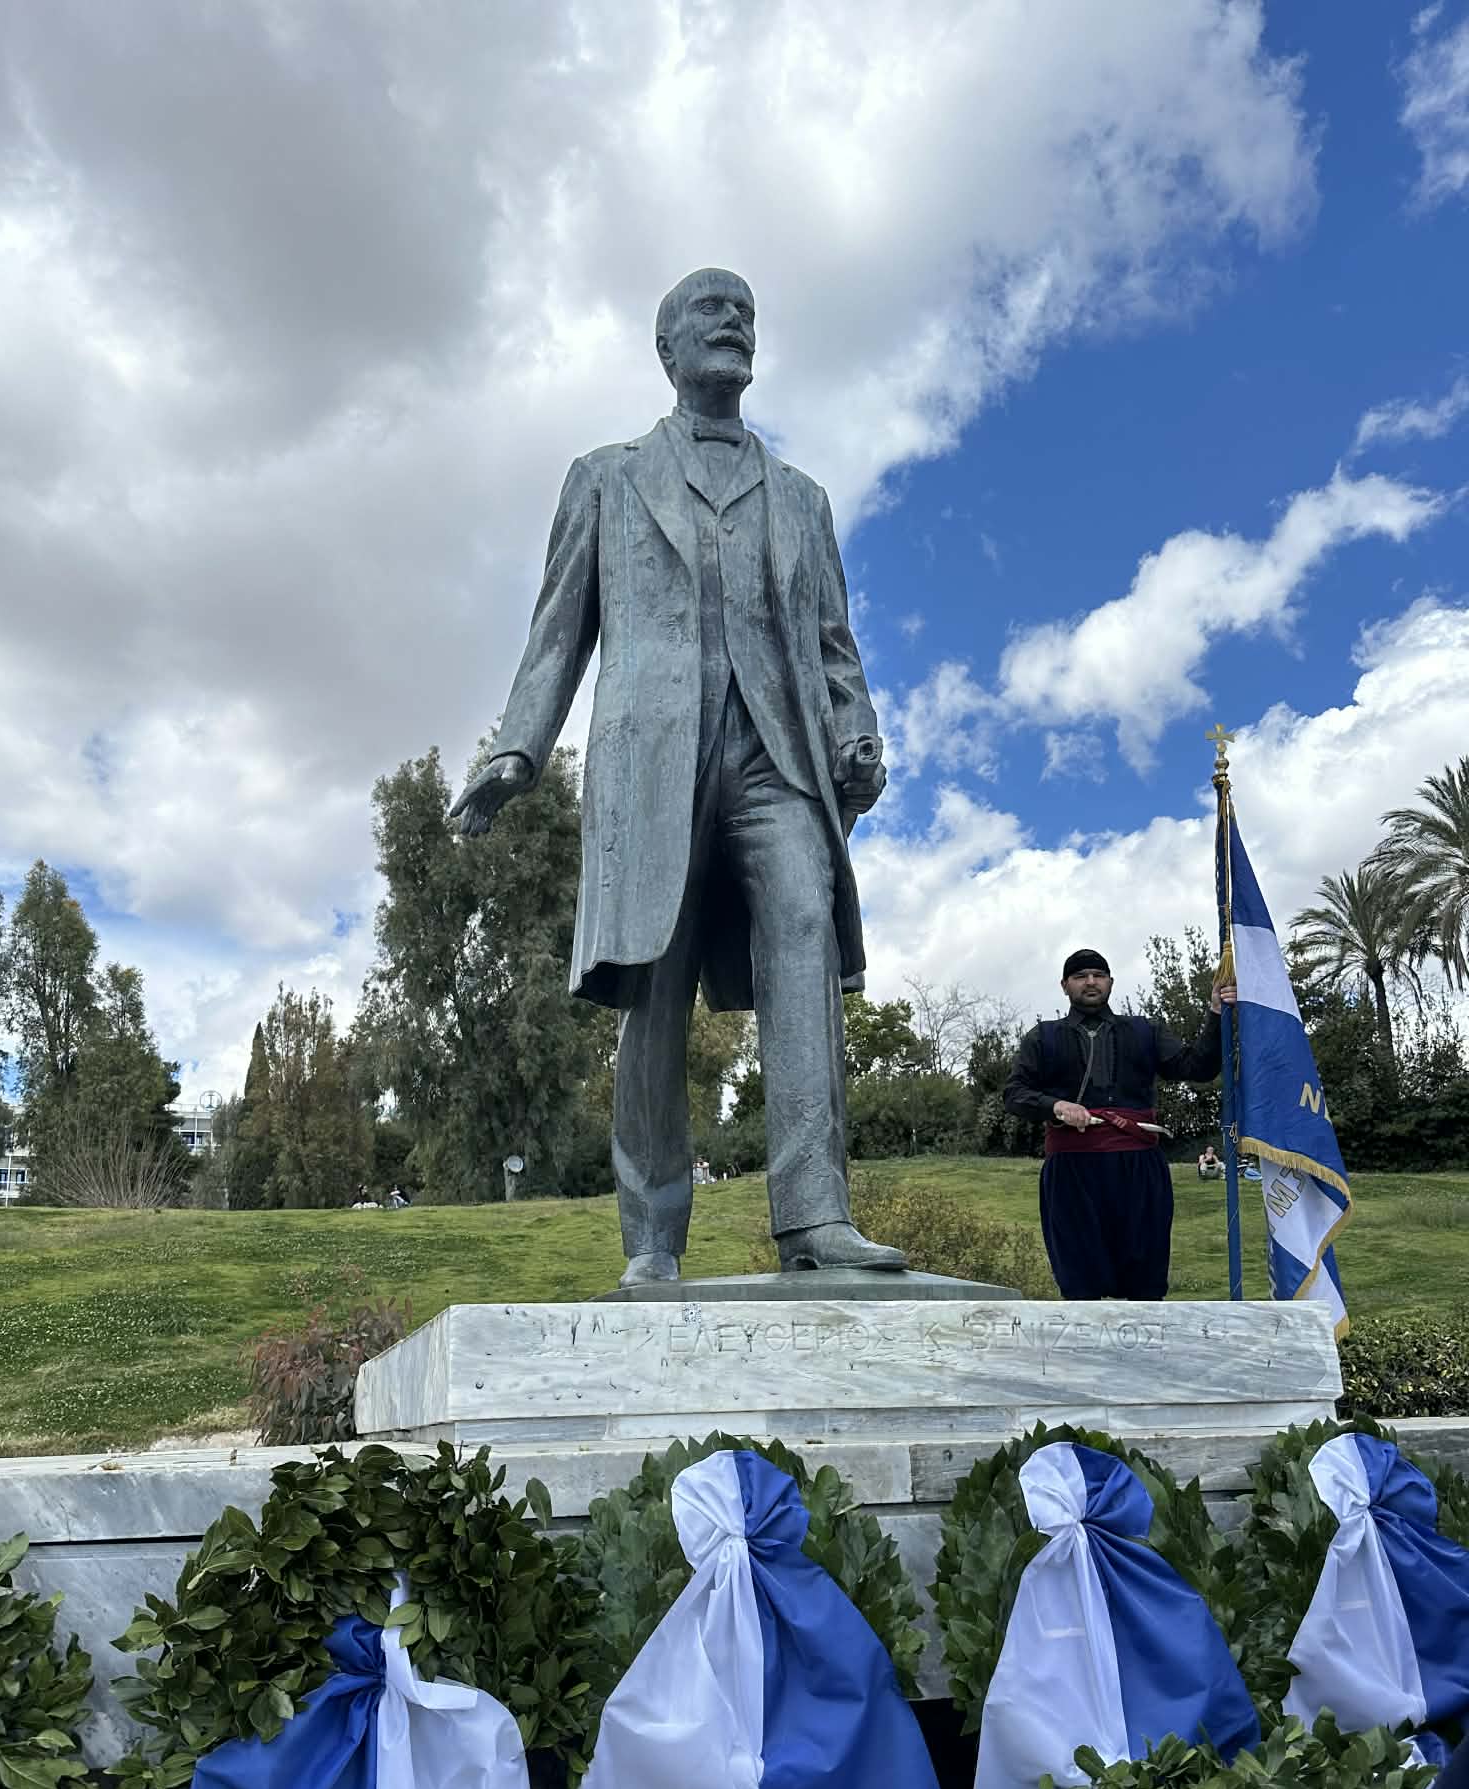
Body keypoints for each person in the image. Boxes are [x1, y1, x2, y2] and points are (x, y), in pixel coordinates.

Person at [451, 268, 903, 1288]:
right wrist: (518, 748)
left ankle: (815, 1216)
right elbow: (557, 631)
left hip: (778, 757)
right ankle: (652, 1235)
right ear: (667, 350)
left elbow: (833, 642)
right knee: (654, 988)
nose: (734, 322)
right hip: (650, 763)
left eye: (746, 312)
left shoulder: (802, 499)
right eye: (712, 310)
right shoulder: (605, 478)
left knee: (804, 928)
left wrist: (856, 729)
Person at [1004, 948, 1236, 1300]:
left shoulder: (1145, 1030)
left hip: (1138, 1168)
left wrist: (1216, 1013)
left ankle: (1145, 1336)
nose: (1091, 982)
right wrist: (1056, 1106)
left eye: (1098, 975)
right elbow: (1014, 1094)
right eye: (1080, 976)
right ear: (1065, 985)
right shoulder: (1043, 1037)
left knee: (1145, 1282)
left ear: (1111, 982)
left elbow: (1197, 1068)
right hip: (1071, 1172)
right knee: (1079, 1282)